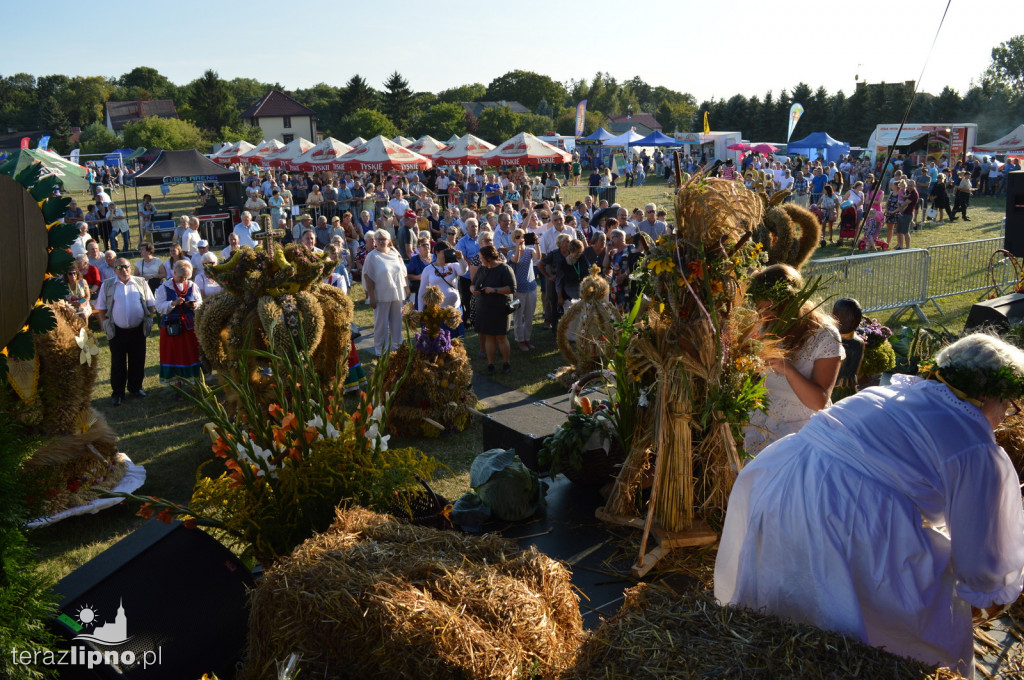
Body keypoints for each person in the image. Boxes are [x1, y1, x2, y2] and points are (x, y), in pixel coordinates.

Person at [716, 333, 1024, 677]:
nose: (1005, 418)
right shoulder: (972, 443)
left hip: (780, 488)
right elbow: (984, 563)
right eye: (1009, 406)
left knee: (791, 610)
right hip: (843, 518)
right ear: (985, 394)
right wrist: (986, 593)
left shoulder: (889, 392)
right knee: (882, 629)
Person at [743, 264, 843, 454]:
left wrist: (787, 369)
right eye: (760, 308)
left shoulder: (825, 336)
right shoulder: (767, 325)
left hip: (802, 433)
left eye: (770, 308)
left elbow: (819, 402)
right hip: (762, 423)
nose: (764, 315)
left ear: (790, 302)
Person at [95, 258, 157, 406]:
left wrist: (148, 318)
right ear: (115, 270)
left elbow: (150, 303)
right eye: (120, 267)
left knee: (138, 360)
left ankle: (136, 388)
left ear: (130, 267)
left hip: (137, 330)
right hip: (117, 331)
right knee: (118, 363)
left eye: (126, 266)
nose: (124, 269)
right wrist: (105, 323)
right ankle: (118, 393)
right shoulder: (108, 285)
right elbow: (101, 307)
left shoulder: (141, 282)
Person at [156, 259, 203, 388]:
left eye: (186, 277)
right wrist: (172, 303)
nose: (183, 280)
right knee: (175, 355)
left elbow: (200, 302)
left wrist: (194, 305)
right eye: (181, 277)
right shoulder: (164, 287)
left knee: (192, 353)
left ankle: (197, 382)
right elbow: (159, 307)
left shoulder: (192, 286)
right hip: (172, 327)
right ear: (174, 272)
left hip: (190, 326)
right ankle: (178, 384)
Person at [471, 245, 517, 375]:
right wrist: (473, 290)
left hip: (500, 308)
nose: (480, 260)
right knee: (489, 337)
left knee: (501, 337)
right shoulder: (482, 269)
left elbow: (512, 288)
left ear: (489, 258)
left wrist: (494, 290)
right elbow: (473, 284)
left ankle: (506, 363)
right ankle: (490, 364)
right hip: (484, 307)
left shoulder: (505, 269)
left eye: (481, 258)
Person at [362, 230, 409, 356]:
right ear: (375, 241)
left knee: (397, 322)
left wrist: (406, 289)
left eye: (384, 239)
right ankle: (381, 350)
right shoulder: (372, 256)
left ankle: (397, 347)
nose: (382, 241)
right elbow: (368, 277)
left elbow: (403, 272)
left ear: (389, 241)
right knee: (381, 325)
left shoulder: (395, 253)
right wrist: (371, 297)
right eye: (379, 239)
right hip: (380, 295)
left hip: (397, 293)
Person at [508, 228, 540, 351]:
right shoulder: (510, 253)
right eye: (517, 237)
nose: (520, 238)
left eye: (522, 236)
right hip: (517, 290)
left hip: (531, 288)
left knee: (529, 316)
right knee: (518, 316)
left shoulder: (530, 250)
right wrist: (518, 248)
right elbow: (515, 260)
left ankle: (527, 339)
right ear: (513, 239)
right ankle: (520, 340)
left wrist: (537, 243)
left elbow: (538, 257)